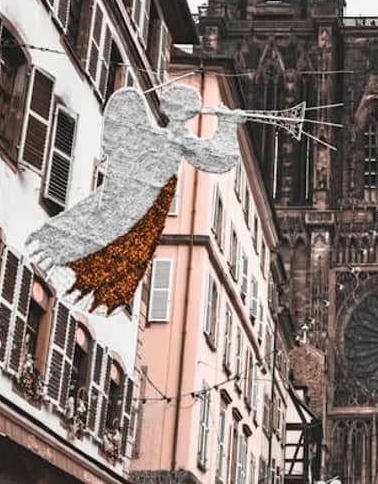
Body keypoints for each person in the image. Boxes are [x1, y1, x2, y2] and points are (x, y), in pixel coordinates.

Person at [26, 85, 244, 314]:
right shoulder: (178, 140)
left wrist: (227, 125)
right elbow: (219, 157)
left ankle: (72, 268)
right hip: (143, 205)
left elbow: (217, 157)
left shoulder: (156, 135)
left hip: (136, 203)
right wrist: (228, 125)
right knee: (112, 248)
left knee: (105, 241)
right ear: (191, 112)